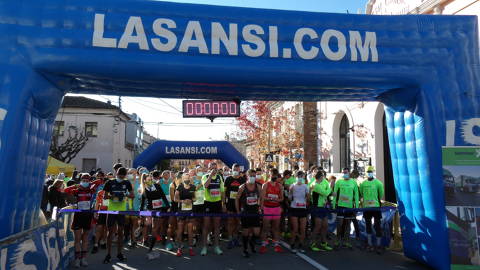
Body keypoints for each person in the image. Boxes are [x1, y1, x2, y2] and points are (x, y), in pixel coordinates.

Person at [63, 174, 99, 268]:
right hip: (78, 216)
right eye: (83, 180)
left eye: (87, 180)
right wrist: (75, 185)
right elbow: (65, 190)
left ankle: (83, 258)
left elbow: (99, 181)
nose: (85, 182)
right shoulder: (77, 190)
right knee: (78, 239)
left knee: (85, 239)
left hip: (88, 216)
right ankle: (77, 259)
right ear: (80, 180)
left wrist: (90, 182)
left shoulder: (91, 190)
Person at [102, 167, 133, 263]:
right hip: (111, 210)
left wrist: (124, 195)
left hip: (122, 210)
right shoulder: (109, 182)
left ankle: (119, 253)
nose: (121, 177)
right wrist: (112, 196)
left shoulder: (127, 182)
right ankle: (108, 254)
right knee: (110, 232)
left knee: (120, 233)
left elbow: (132, 195)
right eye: (120, 175)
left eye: (123, 176)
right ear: (116, 173)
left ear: (125, 176)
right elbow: (105, 196)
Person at [140, 173, 170, 253]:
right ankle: (145, 238)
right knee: (148, 225)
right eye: (149, 180)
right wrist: (141, 213)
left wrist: (168, 207)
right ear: (145, 181)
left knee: (155, 228)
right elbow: (143, 203)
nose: (151, 181)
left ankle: (151, 247)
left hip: (159, 209)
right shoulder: (144, 189)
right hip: (150, 210)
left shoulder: (157, 186)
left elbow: (163, 196)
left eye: (151, 179)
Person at [201, 162, 225, 256]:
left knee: (216, 226)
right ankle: (204, 247)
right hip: (207, 203)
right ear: (209, 168)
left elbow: (222, 192)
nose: (214, 170)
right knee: (206, 226)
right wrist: (210, 175)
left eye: (215, 168)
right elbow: (205, 186)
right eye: (212, 168)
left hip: (217, 203)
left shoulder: (220, 177)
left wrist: (224, 204)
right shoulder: (205, 176)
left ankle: (216, 246)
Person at [236, 169, 262, 257]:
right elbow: (237, 199)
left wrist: (260, 207)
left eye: (254, 176)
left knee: (257, 232)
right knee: (245, 232)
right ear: (247, 176)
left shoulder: (258, 186)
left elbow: (261, 198)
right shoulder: (242, 187)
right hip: (245, 212)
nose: (253, 178)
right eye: (251, 176)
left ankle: (252, 242)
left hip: (255, 211)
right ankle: (245, 249)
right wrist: (238, 211)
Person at [359, 166, 385, 254]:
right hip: (366, 207)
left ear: (373, 172)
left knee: (377, 225)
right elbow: (361, 193)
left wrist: (375, 201)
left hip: (376, 206)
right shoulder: (363, 183)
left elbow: (381, 194)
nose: (369, 173)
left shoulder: (378, 183)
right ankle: (370, 244)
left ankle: (378, 245)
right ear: (366, 173)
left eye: (371, 171)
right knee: (368, 225)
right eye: (368, 171)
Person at [333, 168, 359, 249]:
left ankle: (346, 241)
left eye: (346, 172)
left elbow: (356, 195)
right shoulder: (339, 182)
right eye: (343, 172)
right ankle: (337, 240)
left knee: (348, 225)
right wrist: (334, 205)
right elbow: (334, 194)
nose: (345, 174)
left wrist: (356, 207)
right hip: (340, 206)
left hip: (350, 207)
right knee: (339, 224)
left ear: (349, 173)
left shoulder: (353, 182)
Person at [259, 171, 284, 254]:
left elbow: (282, 198)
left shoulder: (279, 185)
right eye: (273, 175)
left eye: (275, 175)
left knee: (276, 227)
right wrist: (262, 206)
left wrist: (277, 199)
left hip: (276, 208)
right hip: (267, 208)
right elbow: (262, 197)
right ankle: (263, 244)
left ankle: (276, 243)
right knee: (265, 227)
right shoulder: (265, 185)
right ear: (270, 175)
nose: (274, 176)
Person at [309, 171, 333, 251]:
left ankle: (323, 242)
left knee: (325, 226)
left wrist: (329, 190)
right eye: (322, 176)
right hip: (317, 208)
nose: (324, 178)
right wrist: (331, 187)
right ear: (320, 177)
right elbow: (325, 193)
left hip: (323, 207)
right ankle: (312, 243)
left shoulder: (322, 183)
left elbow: (326, 192)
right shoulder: (315, 185)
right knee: (317, 226)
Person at [174, 174, 196, 256]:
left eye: (188, 178)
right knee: (180, 230)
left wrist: (191, 200)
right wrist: (183, 201)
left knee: (190, 231)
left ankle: (190, 248)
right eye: (185, 178)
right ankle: (179, 248)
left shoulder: (193, 187)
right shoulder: (179, 187)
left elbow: (195, 198)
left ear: (190, 178)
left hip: (190, 211)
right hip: (181, 211)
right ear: (182, 179)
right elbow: (175, 199)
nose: (187, 179)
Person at [224, 163, 245, 249]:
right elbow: (224, 192)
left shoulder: (242, 179)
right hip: (230, 203)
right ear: (232, 170)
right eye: (234, 170)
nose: (236, 171)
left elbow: (244, 193)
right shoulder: (228, 179)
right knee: (230, 221)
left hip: (239, 204)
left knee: (237, 221)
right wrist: (224, 204)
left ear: (240, 170)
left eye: (237, 170)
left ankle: (236, 238)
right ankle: (230, 239)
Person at [288, 171, 310, 253]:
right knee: (295, 228)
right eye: (299, 176)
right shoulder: (292, 186)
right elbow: (289, 199)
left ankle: (301, 245)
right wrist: (290, 192)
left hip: (303, 209)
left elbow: (308, 198)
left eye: (302, 176)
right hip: (294, 208)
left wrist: (307, 199)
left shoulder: (306, 186)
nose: (300, 178)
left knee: (303, 229)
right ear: (295, 177)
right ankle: (292, 244)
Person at [91, 171, 108, 254]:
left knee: (105, 228)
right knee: (99, 227)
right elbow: (97, 202)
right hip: (101, 211)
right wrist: (95, 212)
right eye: (105, 183)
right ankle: (96, 244)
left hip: (110, 212)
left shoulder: (112, 192)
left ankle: (103, 242)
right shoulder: (100, 191)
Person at [125, 168, 141, 248]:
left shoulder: (139, 183)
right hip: (125, 208)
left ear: (136, 174)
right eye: (129, 173)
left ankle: (133, 240)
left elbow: (141, 195)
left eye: (132, 173)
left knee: (134, 224)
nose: (130, 174)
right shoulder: (125, 182)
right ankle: (127, 237)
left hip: (136, 207)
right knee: (126, 224)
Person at [192, 166, 205, 245]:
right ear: (196, 171)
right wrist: (201, 183)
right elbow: (194, 189)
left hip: (204, 202)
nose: (200, 171)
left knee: (205, 220)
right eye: (198, 170)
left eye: (201, 170)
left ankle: (207, 237)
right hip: (196, 202)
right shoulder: (193, 179)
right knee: (195, 221)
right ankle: (194, 237)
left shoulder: (205, 177)